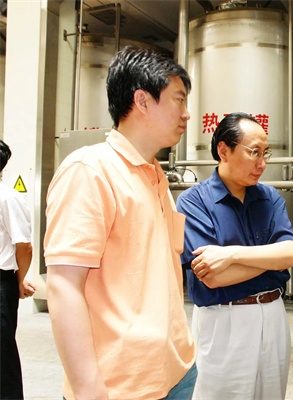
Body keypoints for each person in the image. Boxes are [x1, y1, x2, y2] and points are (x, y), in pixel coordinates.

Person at [44, 46, 196, 400]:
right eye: (178, 100)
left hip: (176, 370)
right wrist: (87, 388)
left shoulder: (155, 175)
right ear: (142, 101)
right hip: (119, 384)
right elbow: (63, 284)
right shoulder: (90, 170)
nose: (187, 114)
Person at [176, 112, 293, 399]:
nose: (262, 163)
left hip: (273, 316)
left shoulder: (269, 197)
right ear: (223, 150)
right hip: (224, 321)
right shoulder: (193, 202)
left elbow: (290, 254)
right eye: (254, 152)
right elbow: (213, 277)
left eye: (265, 153)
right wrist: (272, 262)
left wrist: (231, 254)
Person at [0, 140, 36, 400]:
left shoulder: (8, 198)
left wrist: (20, 280)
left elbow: (23, 246)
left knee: (2, 354)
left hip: (1, 283)